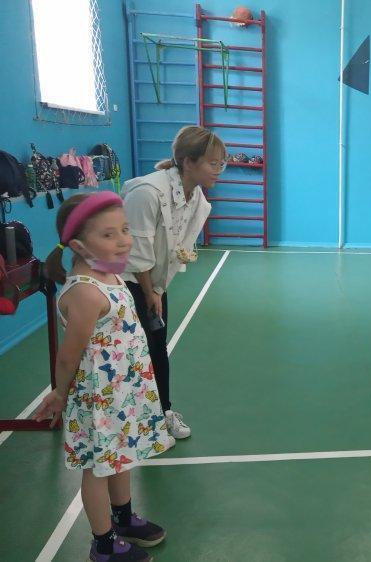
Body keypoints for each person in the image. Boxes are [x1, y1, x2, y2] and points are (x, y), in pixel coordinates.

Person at [35, 192, 171, 562]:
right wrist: (59, 394)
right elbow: (69, 356)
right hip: (98, 399)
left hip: (122, 393)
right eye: (109, 234)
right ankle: (104, 544)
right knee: (97, 470)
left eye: (125, 229)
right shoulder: (85, 291)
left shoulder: (111, 276)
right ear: (78, 245)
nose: (124, 240)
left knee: (120, 457)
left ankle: (123, 518)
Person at [122, 126, 227, 439]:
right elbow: (136, 251)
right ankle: (133, 421)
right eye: (213, 163)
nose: (218, 170)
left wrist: (157, 289)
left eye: (221, 163)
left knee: (157, 347)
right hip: (125, 283)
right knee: (132, 351)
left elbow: (175, 244)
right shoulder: (147, 192)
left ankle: (160, 413)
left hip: (152, 284)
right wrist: (149, 292)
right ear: (188, 162)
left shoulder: (195, 196)